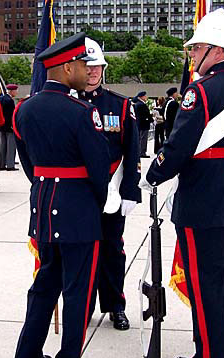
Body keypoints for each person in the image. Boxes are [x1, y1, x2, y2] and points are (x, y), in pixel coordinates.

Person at [139, 8, 224, 358]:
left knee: (204, 278)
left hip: (205, 195)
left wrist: (153, 173)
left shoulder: (201, 92)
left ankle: (210, 357)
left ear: (215, 50)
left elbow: (178, 147)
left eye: (196, 49)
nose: (191, 56)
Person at [12, 32, 110, 358]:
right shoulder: (82, 112)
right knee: (78, 291)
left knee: (45, 282)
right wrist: (97, 201)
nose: (87, 70)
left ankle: (28, 351)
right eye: (83, 64)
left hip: (43, 204)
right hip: (77, 209)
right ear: (67, 66)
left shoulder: (25, 109)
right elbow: (99, 169)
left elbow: (28, 163)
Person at [78, 37, 140, 331]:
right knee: (81, 253)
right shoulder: (69, 102)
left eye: (97, 66)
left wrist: (130, 190)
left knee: (113, 252)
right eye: (88, 66)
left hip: (112, 194)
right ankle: (83, 306)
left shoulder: (120, 104)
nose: (93, 72)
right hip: (79, 194)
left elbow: (132, 152)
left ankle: (115, 306)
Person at [0, 83, 19, 171]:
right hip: (9, 126)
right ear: (12, 91)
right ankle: (10, 164)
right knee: (11, 146)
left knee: (3, 146)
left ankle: (2, 164)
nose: (17, 92)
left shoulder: (1, 99)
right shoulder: (10, 101)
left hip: (2, 126)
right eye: (16, 90)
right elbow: (11, 115)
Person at [133, 90, 153, 158]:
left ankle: (140, 152)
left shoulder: (137, 104)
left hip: (140, 124)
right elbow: (145, 115)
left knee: (141, 138)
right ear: (141, 97)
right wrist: (151, 119)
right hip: (144, 124)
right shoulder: (141, 104)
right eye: (145, 96)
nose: (146, 97)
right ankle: (142, 152)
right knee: (143, 139)